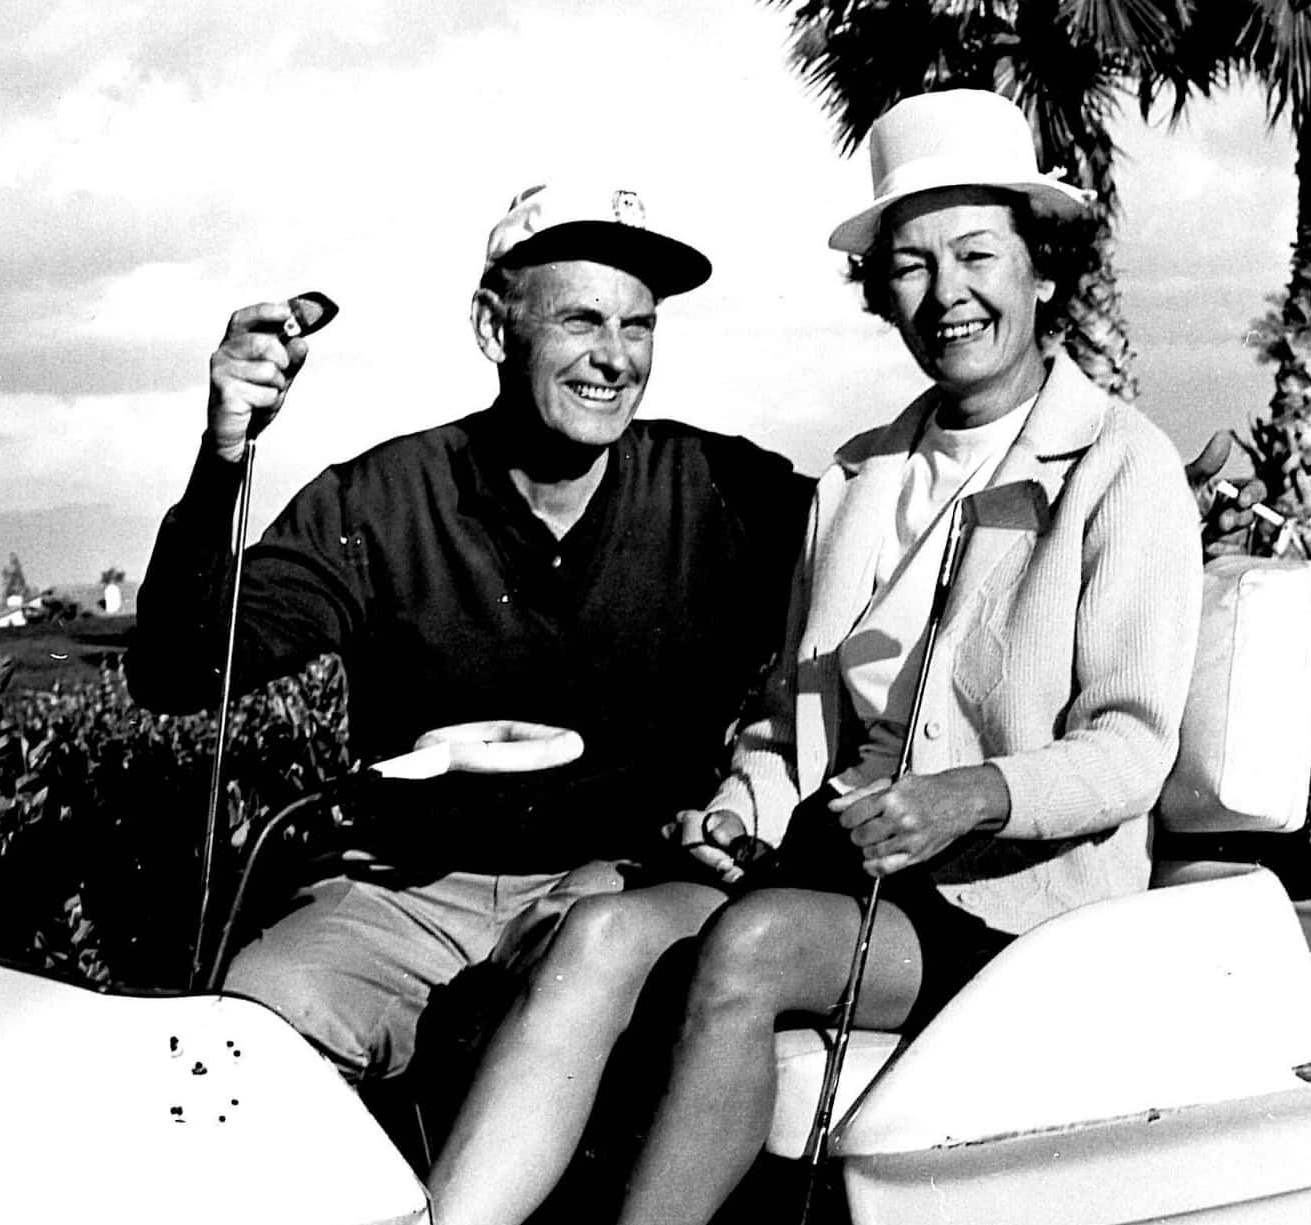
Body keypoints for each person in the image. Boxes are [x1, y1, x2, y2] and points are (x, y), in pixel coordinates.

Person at [438, 88, 1207, 1225]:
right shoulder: (864, 477)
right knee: (603, 929)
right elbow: (799, 717)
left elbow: (1131, 747)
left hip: (1022, 902)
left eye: (977, 254)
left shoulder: (1120, 469)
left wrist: (969, 795)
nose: (947, 293)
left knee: (749, 951)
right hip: (854, 872)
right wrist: (741, 805)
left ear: (1043, 265)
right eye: (911, 264)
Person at [126, 186, 809, 1084]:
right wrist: (224, 458)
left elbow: (887, 575)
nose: (614, 358)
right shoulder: (380, 499)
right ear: (495, 327)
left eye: (637, 327)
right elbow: (179, 671)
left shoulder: (719, 486)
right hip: (401, 896)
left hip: (624, 890)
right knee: (253, 1024)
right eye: (579, 321)